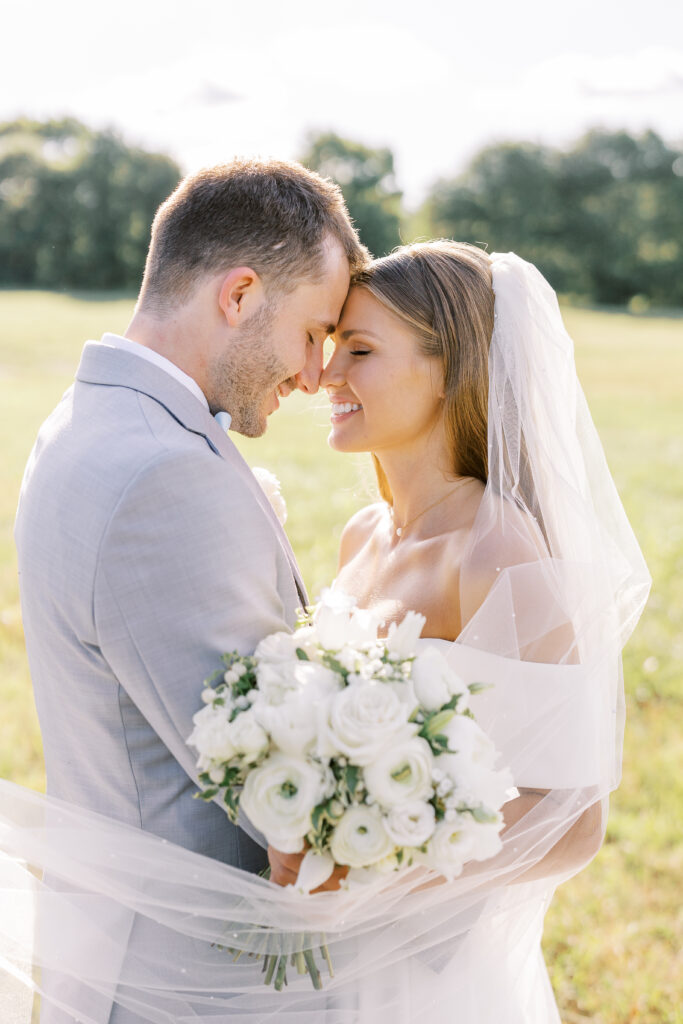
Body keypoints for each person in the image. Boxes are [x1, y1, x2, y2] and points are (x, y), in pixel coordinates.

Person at [1, 239, 649, 1024]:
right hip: (328, 963)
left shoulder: (497, 550)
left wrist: (373, 865)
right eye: (331, 345)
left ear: (449, 372)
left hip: (422, 974)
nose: (325, 376)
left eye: (360, 352)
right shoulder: (360, 535)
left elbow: (573, 821)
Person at [10, 158, 367, 1023]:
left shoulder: (86, 419)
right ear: (240, 294)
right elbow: (257, 785)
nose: (317, 375)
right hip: (190, 982)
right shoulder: (163, 472)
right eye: (314, 332)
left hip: (117, 948)